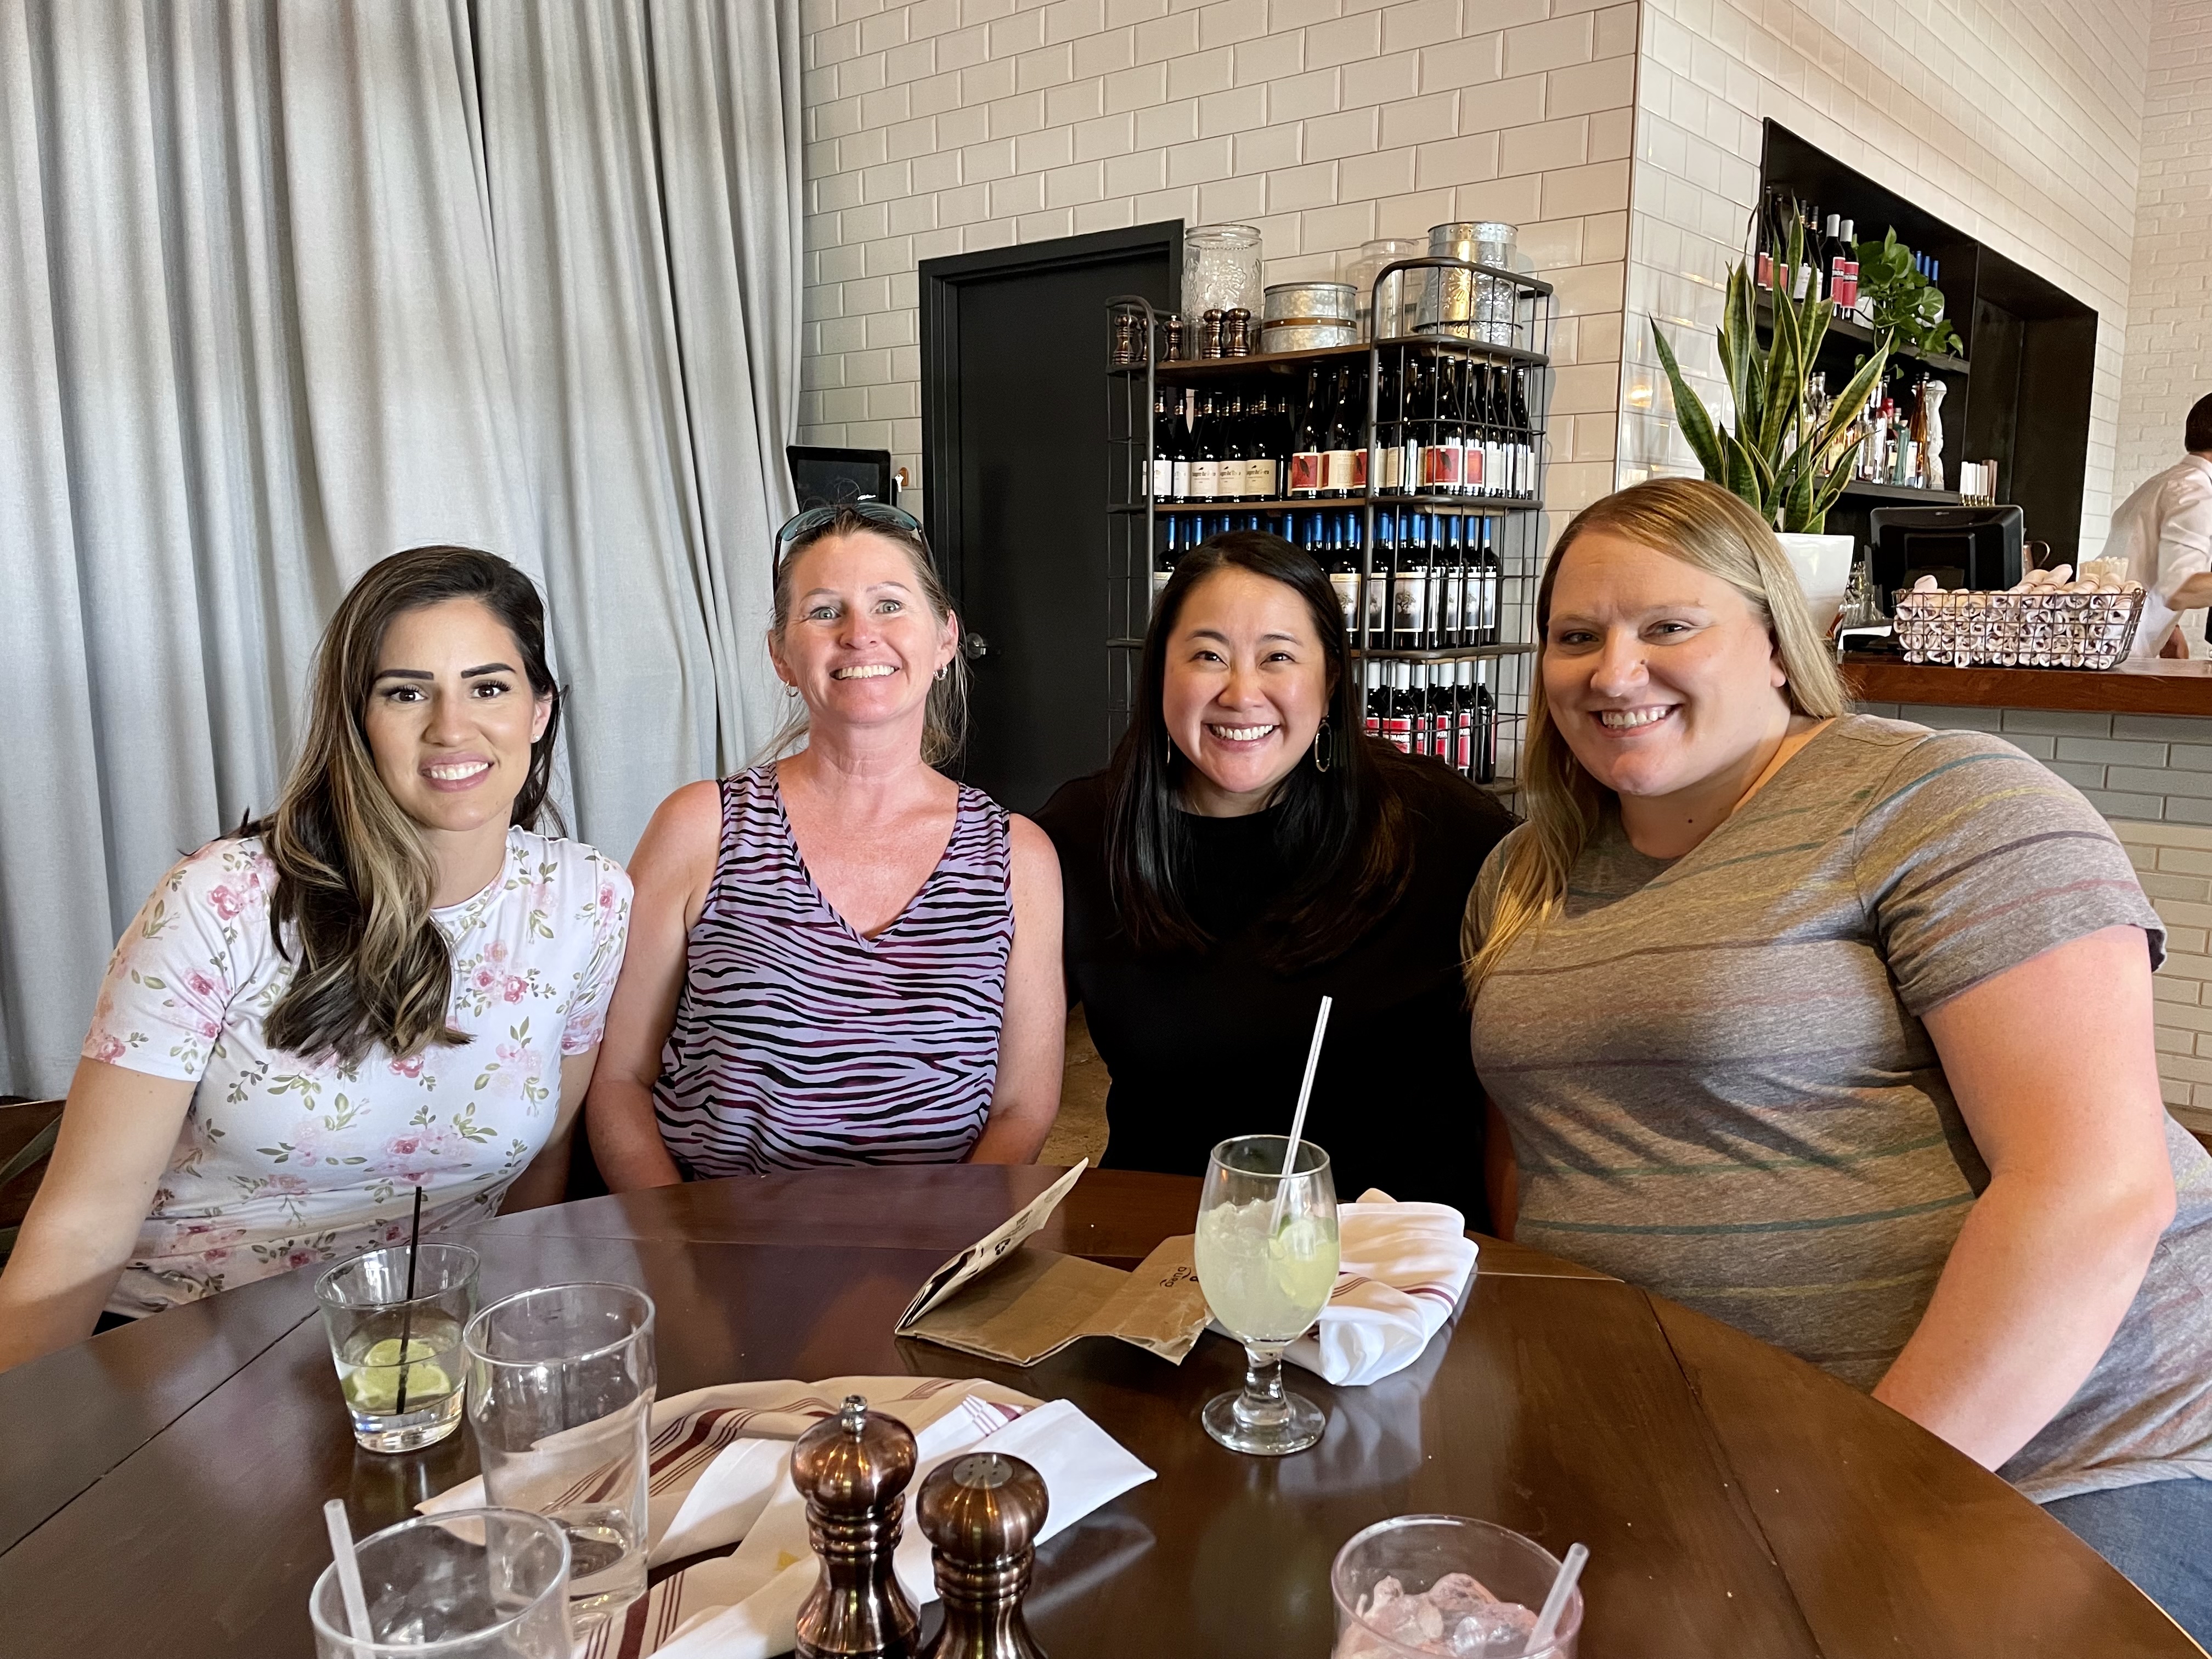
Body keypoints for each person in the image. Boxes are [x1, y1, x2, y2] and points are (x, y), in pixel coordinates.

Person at [1465, 476, 2212, 1637]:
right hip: (1710, 1453)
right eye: (1577, 637)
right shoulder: (1526, 873)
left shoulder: (1941, 801)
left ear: (1776, 641)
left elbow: (2095, 1191)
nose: (1614, 673)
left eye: (1668, 626)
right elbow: (1539, 1143)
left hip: (2069, 1452)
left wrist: (1858, 1494)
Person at [0, 548, 630, 1372]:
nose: (451, 726)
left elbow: (542, 1163)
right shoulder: (222, 900)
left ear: (540, 710)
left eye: (489, 687)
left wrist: (504, 1348)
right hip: (182, 1350)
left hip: (428, 1354)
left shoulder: (587, 901)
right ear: (357, 718)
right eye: (406, 692)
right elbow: (85, 1223)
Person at [1035, 531, 1516, 1221]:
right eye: (1207, 656)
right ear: (1159, 675)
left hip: (1394, 1269)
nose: (1241, 692)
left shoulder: (1438, 826)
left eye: (1279, 658)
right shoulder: (1083, 836)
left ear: (1329, 682)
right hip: (1162, 1245)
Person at [586, 503, 1063, 1184]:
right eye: (823, 611)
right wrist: (681, 1256)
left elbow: (1023, 1107)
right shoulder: (700, 827)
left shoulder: (1020, 858)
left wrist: (944, 1257)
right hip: (719, 1259)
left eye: (890, 605)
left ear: (945, 638)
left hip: (934, 1257)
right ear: (781, 654)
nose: (860, 635)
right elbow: (620, 1080)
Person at [2106, 392, 2212, 658]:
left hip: (2107, 646)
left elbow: (2139, 563)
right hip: (2120, 657)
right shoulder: (2195, 490)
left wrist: (2169, 626)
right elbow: (2181, 588)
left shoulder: (2161, 484)